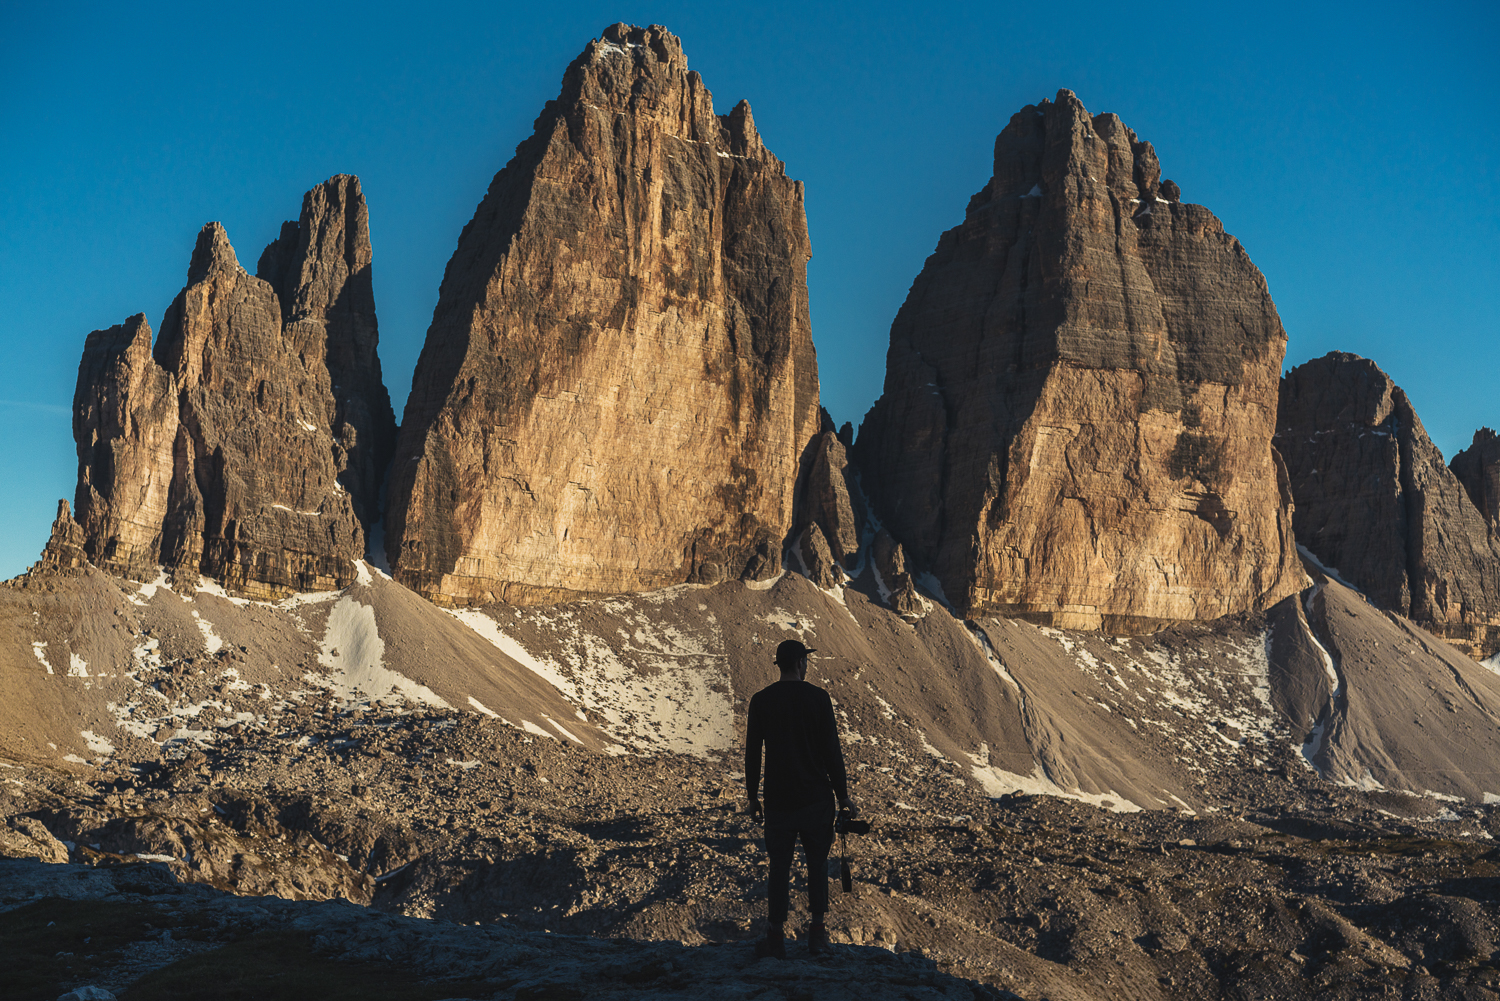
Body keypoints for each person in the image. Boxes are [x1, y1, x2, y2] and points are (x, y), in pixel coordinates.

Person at [744, 638, 858, 959]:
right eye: (806, 661)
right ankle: (817, 936)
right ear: (799, 663)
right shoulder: (819, 699)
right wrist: (844, 795)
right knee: (817, 865)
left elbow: (753, 754)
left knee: (779, 867)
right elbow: (832, 753)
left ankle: (775, 938)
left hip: (779, 801)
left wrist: (753, 797)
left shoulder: (761, 701)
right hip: (816, 801)